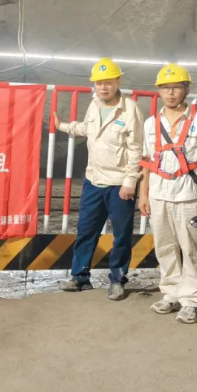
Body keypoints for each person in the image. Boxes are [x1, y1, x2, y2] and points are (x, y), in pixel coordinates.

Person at [53, 58, 144, 300]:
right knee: (86, 230)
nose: (103, 87)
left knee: (121, 234)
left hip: (119, 183)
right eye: (99, 83)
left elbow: (136, 148)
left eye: (108, 82)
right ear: (94, 84)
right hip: (93, 180)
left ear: (118, 81)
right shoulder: (94, 105)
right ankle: (80, 277)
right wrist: (64, 126)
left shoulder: (130, 109)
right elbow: (88, 128)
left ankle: (117, 279)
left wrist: (130, 181)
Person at [138, 64, 197, 324]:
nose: (170, 93)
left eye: (176, 87)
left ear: (186, 89)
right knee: (164, 248)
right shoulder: (151, 123)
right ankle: (171, 293)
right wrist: (143, 194)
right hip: (159, 194)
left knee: (191, 250)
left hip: (188, 195)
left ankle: (191, 301)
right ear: (159, 91)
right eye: (165, 88)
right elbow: (147, 160)